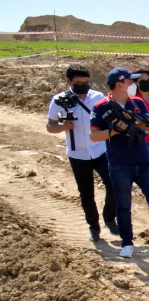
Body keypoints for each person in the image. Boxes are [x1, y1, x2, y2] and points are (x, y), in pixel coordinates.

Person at [89, 67, 149, 259]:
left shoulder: (137, 103)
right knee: (123, 205)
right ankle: (127, 243)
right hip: (119, 163)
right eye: (130, 82)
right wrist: (115, 130)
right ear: (120, 84)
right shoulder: (101, 107)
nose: (134, 85)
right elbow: (94, 135)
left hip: (144, 160)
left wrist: (137, 122)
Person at [46, 64, 116, 243]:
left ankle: (109, 218)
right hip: (77, 154)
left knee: (113, 186)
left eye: (86, 82)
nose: (84, 86)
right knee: (86, 193)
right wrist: (63, 127)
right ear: (69, 81)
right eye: (79, 83)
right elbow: (50, 126)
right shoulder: (60, 100)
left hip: (100, 150)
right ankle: (94, 227)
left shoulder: (97, 97)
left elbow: (108, 118)